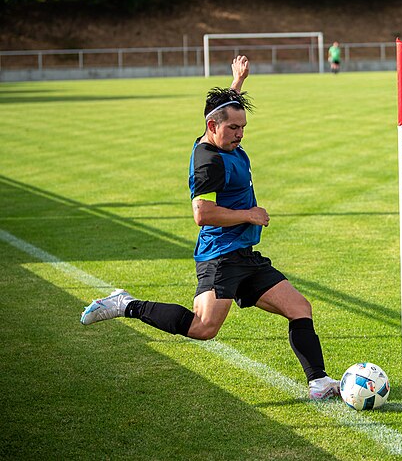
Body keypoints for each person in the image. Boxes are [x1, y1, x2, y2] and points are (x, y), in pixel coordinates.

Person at [80, 56, 340, 400]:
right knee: (203, 328)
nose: (240, 133)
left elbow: (223, 109)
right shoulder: (209, 162)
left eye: (243, 127)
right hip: (220, 257)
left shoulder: (219, 132)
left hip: (244, 254)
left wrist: (237, 82)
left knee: (299, 308)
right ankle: (125, 304)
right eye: (233, 128)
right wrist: (249, 214)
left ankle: (319, 382)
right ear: (213, 126)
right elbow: (202, 213)